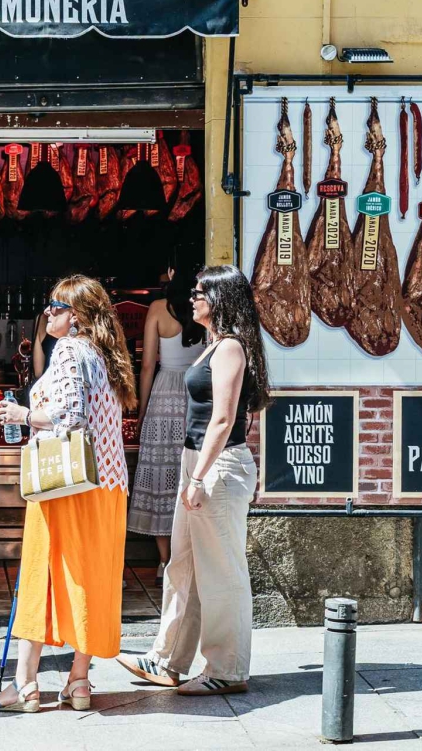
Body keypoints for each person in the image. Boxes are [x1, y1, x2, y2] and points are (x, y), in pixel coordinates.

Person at [0, 275, 137, 713]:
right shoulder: (104, 355)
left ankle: (25, 685)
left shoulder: (68, 349)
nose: (48, 312)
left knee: (41, 574)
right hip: (107, 484)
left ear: (78, 316)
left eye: (56, 306)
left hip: (66, 485)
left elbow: (69, 416)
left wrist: (22, 414)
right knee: (91, 578)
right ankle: (79, 681)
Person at [118, 265, 269, 697]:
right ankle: (167, 660)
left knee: (221, 573)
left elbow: (223, 418)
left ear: (220, 299)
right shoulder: (213, 345)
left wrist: (199, 475)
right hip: (197, 461)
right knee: (182, 566)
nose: (192, 298)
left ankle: (227, 669)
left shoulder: (231, 348)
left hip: (217, 466)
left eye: (200, 292)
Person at [127, 270, 207, 572]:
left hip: (163, 396)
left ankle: (165, 562)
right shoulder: (205, 306)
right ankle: (190, 559)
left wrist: (142, 411)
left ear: (172, 274)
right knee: (190, 473)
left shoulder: (158, 308)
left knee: (161, 479)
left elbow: (147, 365)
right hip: (196, 393)